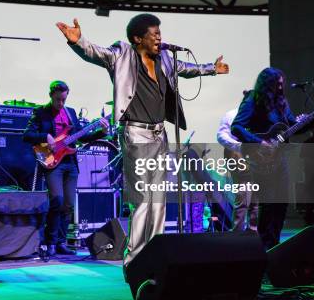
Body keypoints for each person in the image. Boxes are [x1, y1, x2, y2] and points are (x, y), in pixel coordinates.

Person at [56, 14, 229, 269]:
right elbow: (96, 52)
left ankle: (154, 254)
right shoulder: (122, 54)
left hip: (159, 133)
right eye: (154, 33)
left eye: (160, 32)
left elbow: (186, 69)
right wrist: (78, 41)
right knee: (143, 199)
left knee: (158, 199)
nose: (159, 37)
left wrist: (211, 69)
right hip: (134, 132)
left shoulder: (165, 59)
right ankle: (134, 261)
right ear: (138, 38)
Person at [231, 67, 314, 249]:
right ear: (267, 84)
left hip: (279, 160)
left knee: (281, 204)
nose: (281, 87)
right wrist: (259, 142)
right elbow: (237, 127)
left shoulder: (281, 102)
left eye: (282, 83)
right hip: (260, 160)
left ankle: (274, 247)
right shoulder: (252, 99)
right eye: (277, 84)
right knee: (268, 205)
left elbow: (293, 127)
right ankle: (263, 248)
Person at [23, 80, 108, 256]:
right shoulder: (41, 112)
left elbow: (81, 137)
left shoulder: (70, 113)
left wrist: (102, 132)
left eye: (63, 100)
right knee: (57, 201)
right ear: (51, 96)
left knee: (68, 204)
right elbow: (27, 135)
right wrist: (46, 136)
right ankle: (50, 242)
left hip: (70, 162)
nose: (61, 103)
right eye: (58, 100)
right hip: (52, 161)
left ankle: (61, 242)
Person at [216, 104, 258, 232]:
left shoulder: (259, 116)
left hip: (256, 159)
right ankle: (237, 234)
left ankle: (252, 233)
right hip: (237, 156)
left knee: (256, 200)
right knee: (243, 198)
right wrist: (239, 147)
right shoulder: (232, 115)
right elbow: (221, 136)